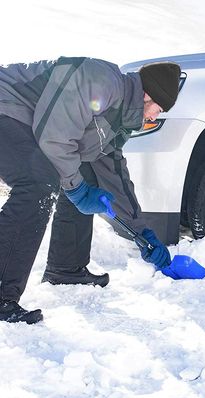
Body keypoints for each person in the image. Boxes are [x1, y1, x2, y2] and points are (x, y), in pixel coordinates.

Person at [0, 56, 181, 324]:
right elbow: (54, 138)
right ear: (147, 94)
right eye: (159, 107)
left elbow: (114, 176)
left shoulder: (117, 123)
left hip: (25, 122)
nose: (156, 115)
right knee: (39, 185)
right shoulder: (100, 80)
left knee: (87, 174)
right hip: (7, 106)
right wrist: (75, 190)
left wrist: (142, 231)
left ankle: (66, 267)